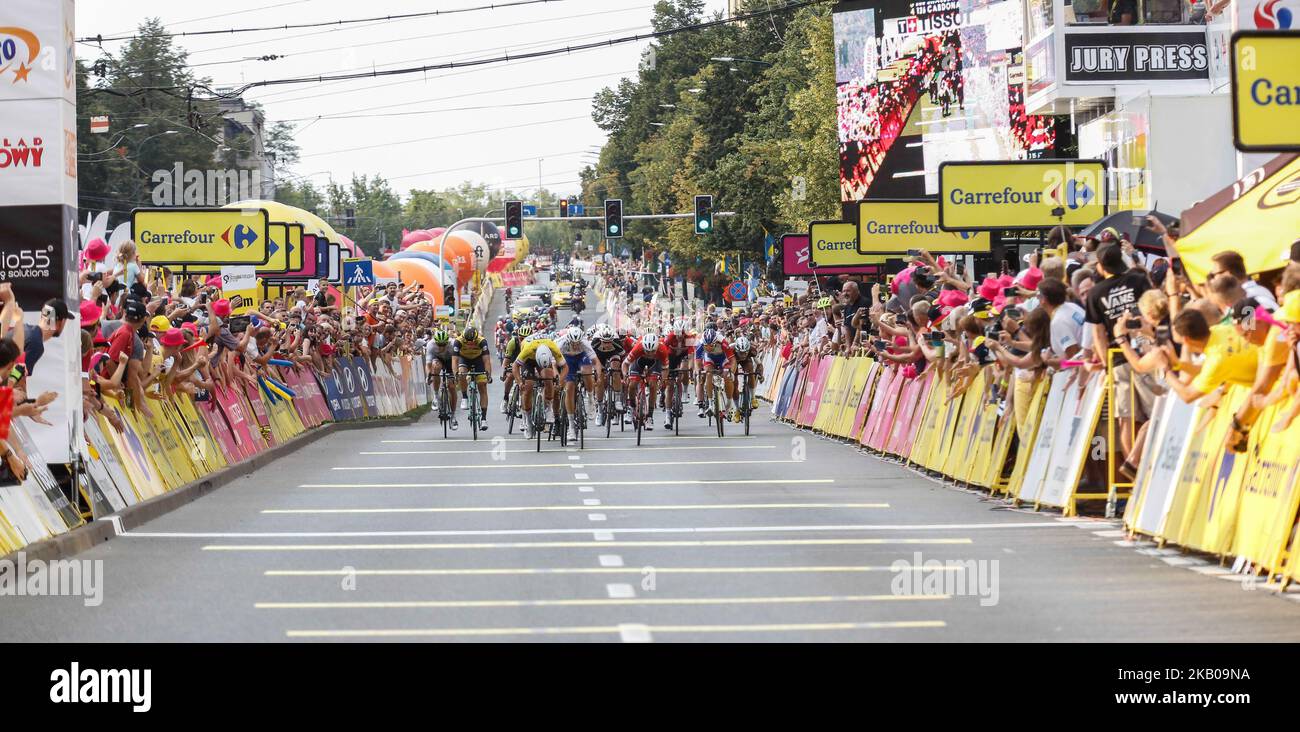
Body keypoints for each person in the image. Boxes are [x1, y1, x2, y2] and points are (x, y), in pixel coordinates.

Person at [452, 326, 492, 430]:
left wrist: (488, 375)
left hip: (478, 360)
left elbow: (487, 360)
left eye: (472, 342)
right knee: (461, 373)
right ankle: (465, 397)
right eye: (467, 342)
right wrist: (455, 374)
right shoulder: (458, 341)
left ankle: (483, 419)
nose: (469, 344)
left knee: (482, 386)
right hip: (464, 359)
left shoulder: (482, 341)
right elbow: (455, 360)